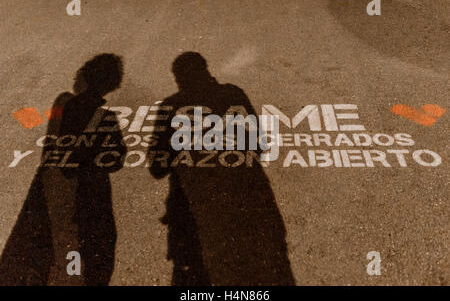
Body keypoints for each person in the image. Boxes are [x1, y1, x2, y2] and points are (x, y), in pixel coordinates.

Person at [149, 52, 295, 285]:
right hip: (246, 205)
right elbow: (258, 145)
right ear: (207, 71)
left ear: (178, 79)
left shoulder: (171, 106)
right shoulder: (233, 94)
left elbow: (157, 167)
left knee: (195, 278)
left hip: (193, 210)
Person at [0, 53, 126, 286]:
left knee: (60, 249)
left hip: (55, 188)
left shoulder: (63, 104)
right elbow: (117, 159)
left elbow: (53, 142)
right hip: (90, 193)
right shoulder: (104, 116)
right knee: (92, 250)